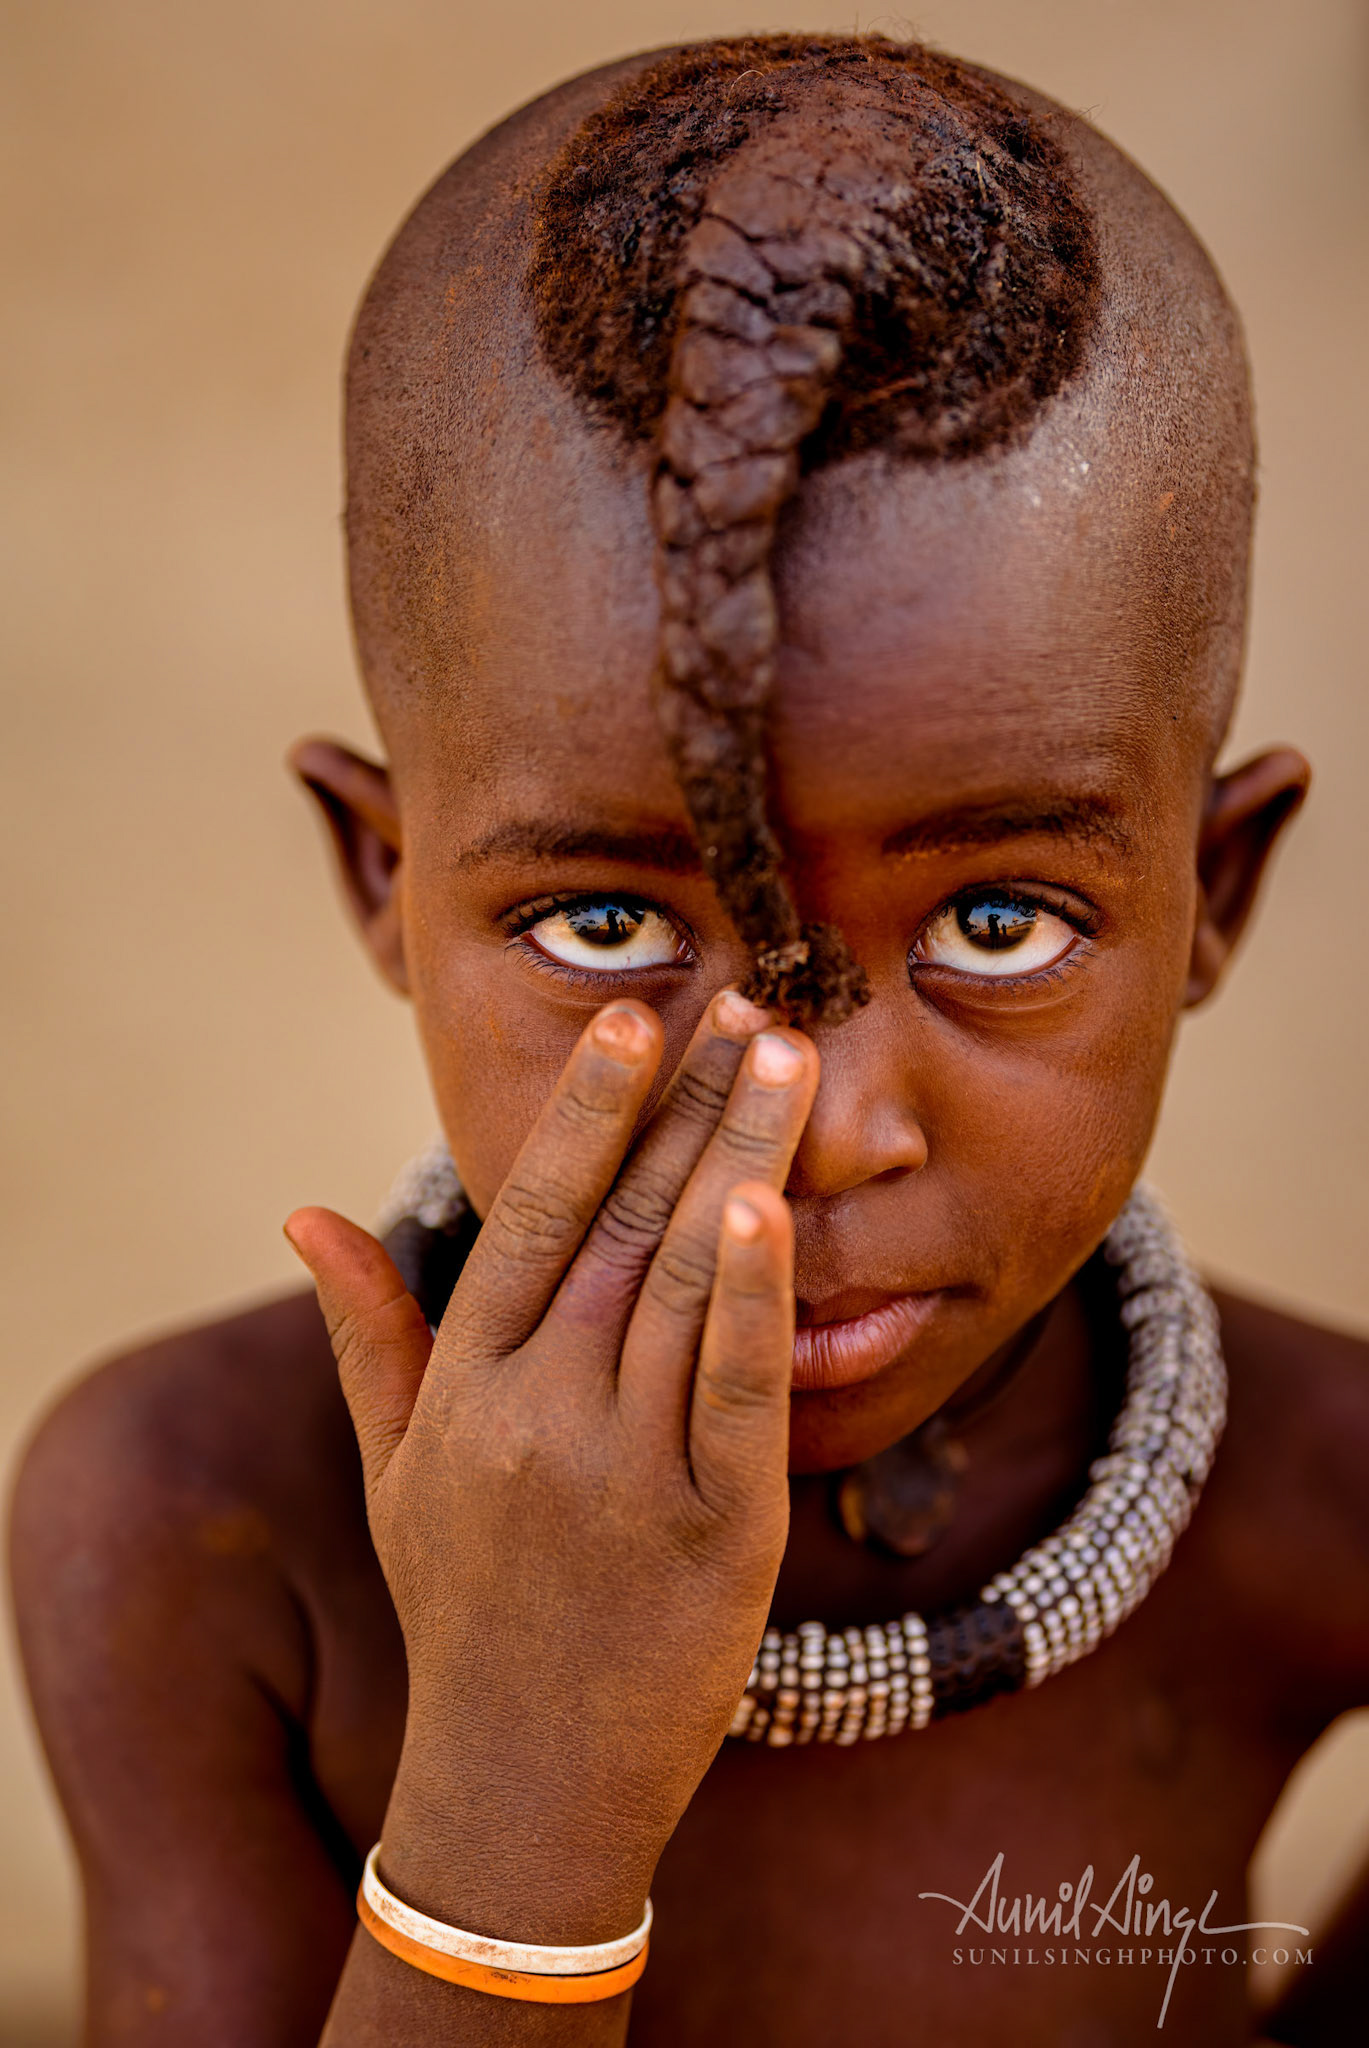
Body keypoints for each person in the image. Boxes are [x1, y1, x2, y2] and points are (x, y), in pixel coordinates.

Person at [10, 32, 1369, 2047]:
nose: (809, 1134)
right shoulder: (202, 1518)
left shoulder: (1322, 1500)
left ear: (1214, 895)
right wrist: (518, 1800)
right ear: (385, 877)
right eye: (607, 921)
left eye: (998, 922)